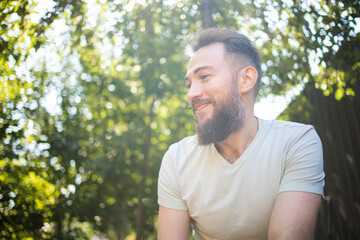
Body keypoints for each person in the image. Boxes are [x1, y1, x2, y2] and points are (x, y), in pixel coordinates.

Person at [157, 28, 325, 240]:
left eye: (204, 77)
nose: (191, 94)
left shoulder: (296, 142)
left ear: (246, 79)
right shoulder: (176, 159)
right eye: (189, 85)